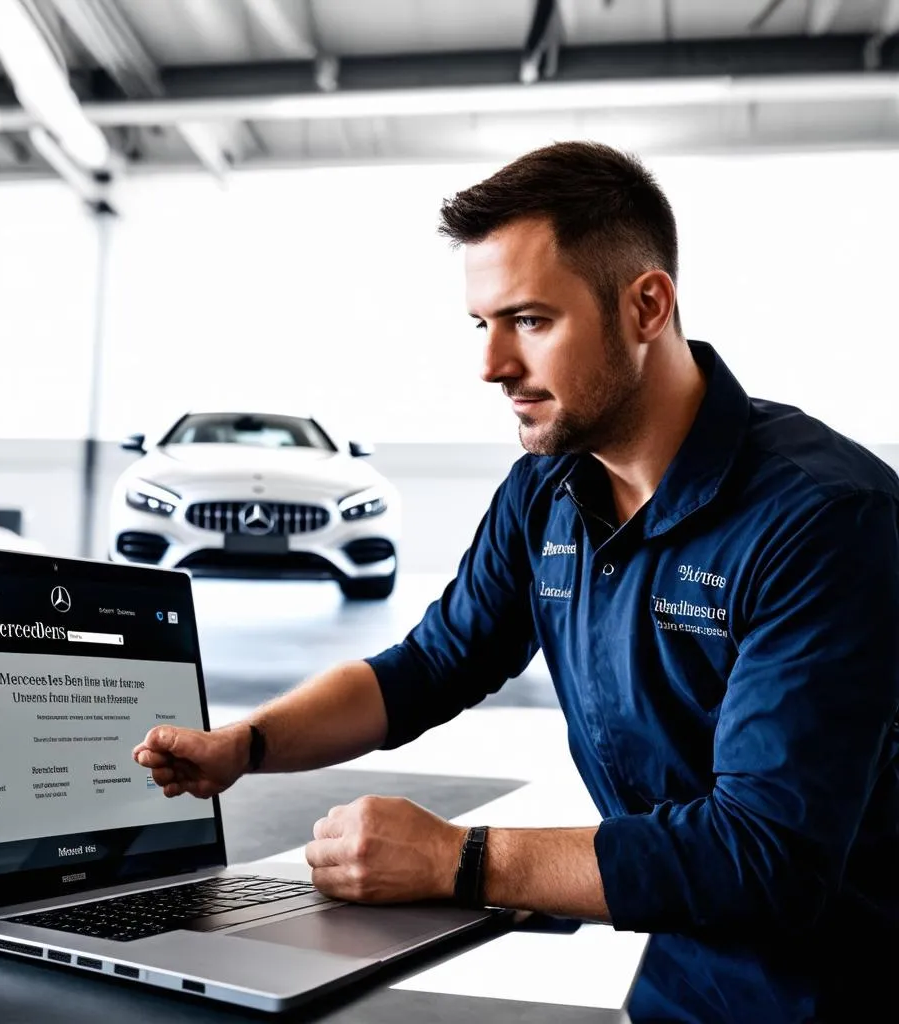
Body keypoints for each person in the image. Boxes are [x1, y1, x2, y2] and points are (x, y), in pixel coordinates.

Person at [133, 142, 899, 1023]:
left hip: (838, 992)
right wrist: (246, 746)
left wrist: (458, 859)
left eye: (530, 321)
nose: (492, 365)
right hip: (679, 985)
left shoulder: (823, 519)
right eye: (482, 324)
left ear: (647, 305)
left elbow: (765, 857)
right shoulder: (547, 492)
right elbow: (430, 664)